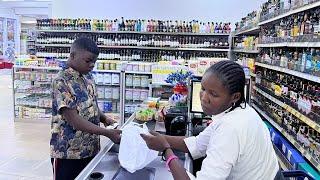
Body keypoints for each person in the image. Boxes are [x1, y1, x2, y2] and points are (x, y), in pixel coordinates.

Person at [141, 60, 280, 180]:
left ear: (235, 96)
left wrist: (166, 150)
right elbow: (197, 144)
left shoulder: (231, 128)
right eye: (203, 89)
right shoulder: (240, 110)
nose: (203, 97)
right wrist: (156, 138)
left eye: (213, 94)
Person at [50, 37, 121, 180]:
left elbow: (91, 105)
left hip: (91, 149)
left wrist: (104, 118)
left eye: (94, 61)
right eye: (88, 60)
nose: (92, 65)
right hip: (68, 154)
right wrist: (107, 133)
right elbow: (74, 120)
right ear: (73, 55)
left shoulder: (87, 77)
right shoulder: (61, 81)